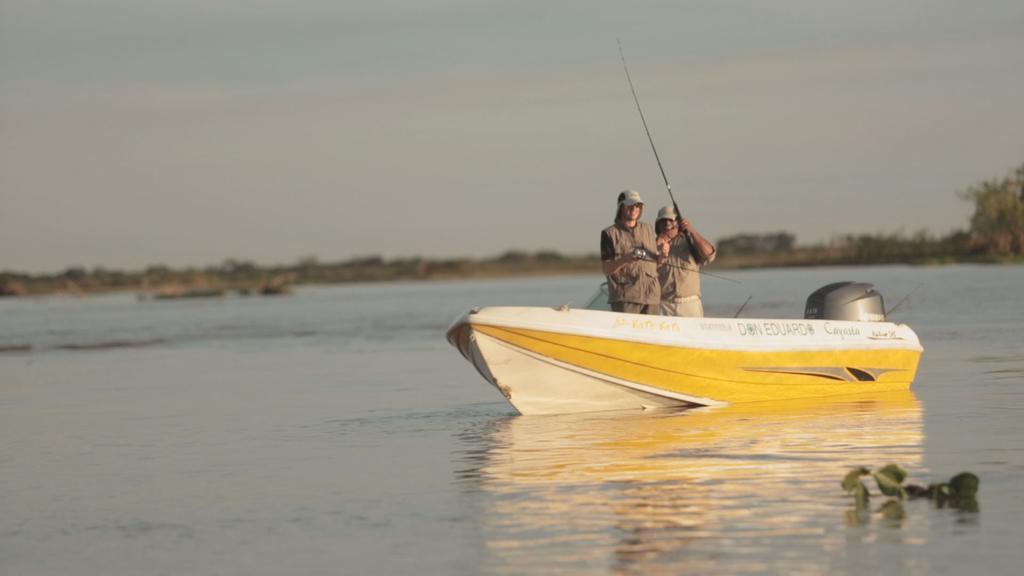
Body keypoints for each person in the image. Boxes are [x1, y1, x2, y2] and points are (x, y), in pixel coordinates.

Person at [600, 190, 660, 314]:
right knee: (626, 334)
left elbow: (658, 263)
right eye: (630, 205)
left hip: (652, 297)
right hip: (625, 298)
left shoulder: (649, 229)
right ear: (621, 207)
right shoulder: (609, 233)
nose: (634, 209)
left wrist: (664, 254)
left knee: (650, 334)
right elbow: (606, 269)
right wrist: (625, 259)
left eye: (637, 206)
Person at [655, 205, 716, 317]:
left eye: (671, 220)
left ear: (678, 223)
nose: (667, 224)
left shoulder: (690, 241)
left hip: (689, 303)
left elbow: (709, 255)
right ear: (658, 225)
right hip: (664, 304)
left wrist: (691, 230)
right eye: (663, 221)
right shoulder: (652, 244)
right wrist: (657, 248)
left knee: (695, 334)